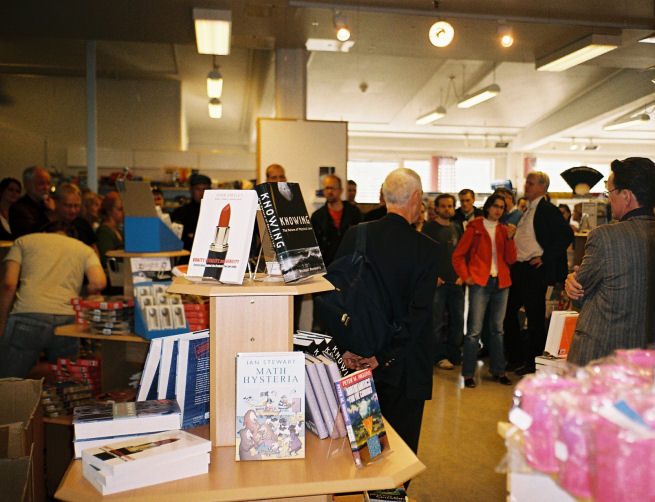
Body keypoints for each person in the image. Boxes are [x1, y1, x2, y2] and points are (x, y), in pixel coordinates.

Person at [334, 167, 438, 456]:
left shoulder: (356, 235)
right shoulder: (426, 250)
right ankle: (391, 498)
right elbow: (417, 316)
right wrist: (383, 356)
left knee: (369, 448)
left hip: (357, 359)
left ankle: (364, 495)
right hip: (403, 368)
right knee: (400, 453)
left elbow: (334, 296)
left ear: (385, 196)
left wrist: (345, 348)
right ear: (416, 198)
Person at [565, 157, 655, 365]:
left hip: (603, 354)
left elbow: (579, 293)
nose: (608, 199)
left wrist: (572, 282)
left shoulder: (604, 237)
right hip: (646, 359)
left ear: (626, 195)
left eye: (610, 192)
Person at [0, 221, 106, 378]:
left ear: (44, 232)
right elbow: (98, 282)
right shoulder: (83, 248)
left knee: (9, 380)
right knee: (66, 381)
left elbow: (9, 284)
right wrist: (86, 294)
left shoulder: (24, 241)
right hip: (67, 319)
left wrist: (2, 321)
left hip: (27, 314)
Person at [504, 172, 573, 374]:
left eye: (531, 183)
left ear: (542, 188)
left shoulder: (546, 209)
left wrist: (545, 257)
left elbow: (566, 234)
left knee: (534, 318)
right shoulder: (528, 209)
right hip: (520, 268)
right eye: (527, 182)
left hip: (533, 270)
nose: (526, 186)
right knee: (509, 314)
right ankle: (517, 357)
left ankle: (532, 362)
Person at [453, 194, 517, 388]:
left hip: (501, 283)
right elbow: (458, 256)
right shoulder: (475, 227)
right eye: (495, 206)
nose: (498, 210)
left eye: (502, 207)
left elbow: (511, 259)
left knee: (498, 330)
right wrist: (466, 276)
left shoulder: (504, 229)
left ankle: (499, 371)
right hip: (480, 282)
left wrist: (511, 239)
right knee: (474, 331)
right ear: (488, 207)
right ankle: (468, 374)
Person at [422, 193, 464, 370]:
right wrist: (433, 276)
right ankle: (438, 356)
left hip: (458, 282)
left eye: (450, 206)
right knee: (437, 322)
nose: (447, 209)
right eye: (443, 206)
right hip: (438, 284)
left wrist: (463, 274)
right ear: (437, 209)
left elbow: (463, 253)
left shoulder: (457, 227)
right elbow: (422, 256)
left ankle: (454, 354)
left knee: (458, 321)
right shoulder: (429, 228)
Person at [310, 174, 362, 266]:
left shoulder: (354, 213)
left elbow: (361, 239)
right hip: (327, 266)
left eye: (333, 188)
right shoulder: (317, 217)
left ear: (341, 190)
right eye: (327, 188)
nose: (329, 191)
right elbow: (314, 246)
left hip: (351, 265)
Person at [8, 166, 54, 238]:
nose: (46, 188)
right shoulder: (19, 208)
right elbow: (32, 235)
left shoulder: (46, 205)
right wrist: (51, 214)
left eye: (48, 184)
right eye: (41, 184)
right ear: (28, 185)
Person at [171, 173, 211, 252]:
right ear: (191, 190)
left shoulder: (215, 212)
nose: (202, 193)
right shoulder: (181, 213)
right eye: (198, 189)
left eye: (205, 189)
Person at [52, 183, 98, 249]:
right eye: (68, 206)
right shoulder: (48, 226)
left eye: (76, 206)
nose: (73, 211)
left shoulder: (83, 225)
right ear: (56, 203)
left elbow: (95, 252)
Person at [96, 191, 124, 270]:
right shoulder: (104, 232)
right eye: (120, 209)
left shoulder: (117, 230)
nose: (124, 212)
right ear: (109, 211)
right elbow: (106, 259)